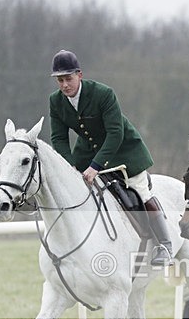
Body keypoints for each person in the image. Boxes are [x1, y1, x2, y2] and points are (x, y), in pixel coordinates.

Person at [48, 49, 173, 266]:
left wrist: (95, 166)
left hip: (124, 150)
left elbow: (116, 133)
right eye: (60, 80)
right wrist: (71, 167)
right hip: (86, 151)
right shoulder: (55, 101)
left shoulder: (103, 94)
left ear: (80, 74)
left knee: (141, 191)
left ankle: (164, 245)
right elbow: (58, 139)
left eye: (68, 78)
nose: (64, 85)